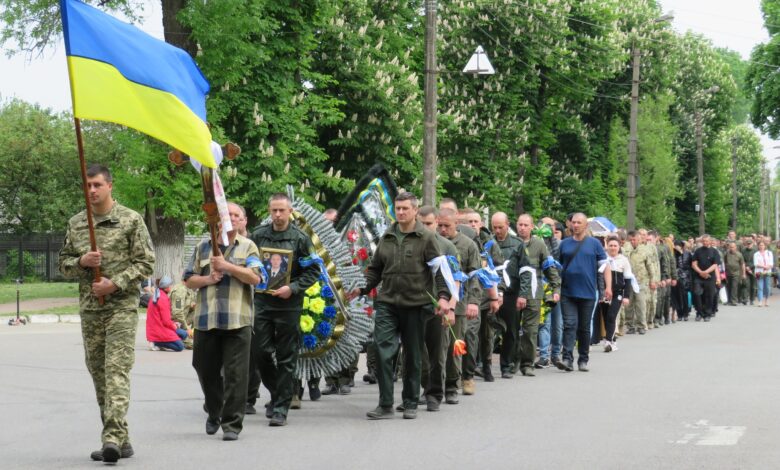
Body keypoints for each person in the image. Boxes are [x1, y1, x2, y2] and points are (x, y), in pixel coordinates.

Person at [58, 164, 155, 463]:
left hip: (121, 308)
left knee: (116, 372)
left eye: (97, 184)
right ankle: (122, 439)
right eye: (87, 185)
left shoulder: (129, 220)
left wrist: (115, 283)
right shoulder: (77, 224)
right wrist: (83, 262)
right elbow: (63, 265)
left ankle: (111, 437)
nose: (92, 190)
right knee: (99, 374)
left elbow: (146, 263)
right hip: (90, 311)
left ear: (110, 186)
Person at [348, 192, 450, 420]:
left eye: (405, 208)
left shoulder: (426, 237)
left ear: (415, 210)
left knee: (412, 355)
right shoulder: (387, 236)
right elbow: (375, 269)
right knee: (384, 350)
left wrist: (443, 296)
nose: (401, 212)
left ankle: (411, 401)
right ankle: (385, 404)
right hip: (388, 303)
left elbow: (439, 270)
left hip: (416, 304)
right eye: (398, 208)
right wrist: (361, 288)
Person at [185, 201, 261, 441]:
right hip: (207, 320)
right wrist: (208, 278)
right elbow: (188, 279)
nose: (230, 218)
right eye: (226, 214)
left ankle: (232, 424)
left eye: (236, 214)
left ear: (242, 221)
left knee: (236, 374)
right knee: (204, 368)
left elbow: (256, 278)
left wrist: (228, 267)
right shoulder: (202, 247)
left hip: (238, 320)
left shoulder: (248, 247)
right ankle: (215, 410)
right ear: (216, 219)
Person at [250, 193, 319, 426]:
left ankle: (280, 408)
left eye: (282, 210)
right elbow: (247, 263)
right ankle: (281, 393)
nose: (278, 215)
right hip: (262, 302)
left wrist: (293, 287)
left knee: (286, 356)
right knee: (259, 353)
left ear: (290, 211)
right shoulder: (258, 236)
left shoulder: (300, 239)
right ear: (269, 211)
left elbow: (313, 271)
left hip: (289, 305)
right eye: (274, 210)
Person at [437, 208, 483, 400]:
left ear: (456, 224)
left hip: (460, 303)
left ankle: (452, 386)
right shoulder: (434, 242)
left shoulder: (468, 245)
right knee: (437, 347)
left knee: (455, 346)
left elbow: (474, 276)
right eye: (439, 225)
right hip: (438, 302)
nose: (442, 229)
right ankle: (434, 386)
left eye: (447, 225)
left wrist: (473, 301)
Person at [416, 206, 458, 411]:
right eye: (421, 223)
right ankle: (422, 389)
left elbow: (455, 280)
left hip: (439, 307)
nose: (425, 227)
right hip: (415, 305)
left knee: (437, 353)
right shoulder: (413, 241)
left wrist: (450, 308)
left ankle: (435, 393)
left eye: (429, 224)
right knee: (415, 353)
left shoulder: (447, 246)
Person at [556, 213, 611, 372]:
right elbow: (557, 267)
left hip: (587, 292)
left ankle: (583, 359)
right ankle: (567, 359)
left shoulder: (594, 244)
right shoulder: (564, 244)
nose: (576, 225)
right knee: (569, 325)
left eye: (579, 222)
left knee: (584, 327)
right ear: (570, 224)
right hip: (568, 292)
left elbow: (605, 266)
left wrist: (608, 287)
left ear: (586, 225)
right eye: (573, 222)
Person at [514, 214, 560, 377]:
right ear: (516, 225)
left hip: (534, 292)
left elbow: (549, 267)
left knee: (530, 330)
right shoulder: (513, 243)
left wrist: (556, 288)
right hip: (514, 291)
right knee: (512, 328)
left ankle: (527, 364)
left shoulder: (539, 245)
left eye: (526, 225)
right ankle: (512, 361)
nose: (522, 228)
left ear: (532, 227)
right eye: (520, 224)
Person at [599, 237, 633, 352]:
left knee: (611, 316)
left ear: (619, 247)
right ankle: (612, 339)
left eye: (615, 246)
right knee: (605, 315)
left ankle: (609, 341)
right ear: (607, 246)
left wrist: (626, 296)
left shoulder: (623, 260)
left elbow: (628, 279)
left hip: (617, 293)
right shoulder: (603, 259)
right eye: (611, 245)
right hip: (604, 292)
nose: (613, 248)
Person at [146, 276, 189, 351]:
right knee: (184, 341)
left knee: (185, 334)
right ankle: (158, 342)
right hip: (170, 321)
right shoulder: (179, 291)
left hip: (168, 321)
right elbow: (177, 312)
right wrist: (185, 327)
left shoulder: (187, 289)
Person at [691, 234, 721, 322]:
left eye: (706, 241)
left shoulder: (714, 251)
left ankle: (707, 314)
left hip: (710, 277)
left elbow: (715, 265)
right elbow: (694, 264)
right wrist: (701, 272)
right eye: (703, 241)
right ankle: (699, 313)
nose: (705, 242)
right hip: (698, 276)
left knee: (709, 295)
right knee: (697, 294)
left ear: (710, 241)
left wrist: (706, 272)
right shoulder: (698, 251)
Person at [169, 280, 196, 349]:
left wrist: (192, 307)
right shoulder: (179, 291)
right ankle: (180, 336)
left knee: (198, 311)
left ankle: (194, 335)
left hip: (181, 322)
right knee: (192, 345)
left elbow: (189, 307)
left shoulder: (189, 290)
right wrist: (187, 329)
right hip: (174, 323)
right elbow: (177, 313)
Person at [671, 240, 693, 321]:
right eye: (675, 245)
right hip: (676, 277)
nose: (677, 246)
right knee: (677, 295)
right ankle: (679, 313)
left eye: (679, 245)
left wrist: (689, 277)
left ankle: (686, 313)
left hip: (685, 277)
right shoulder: (673, 254)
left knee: (684, 295)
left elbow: (691, 266)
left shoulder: (688, 254)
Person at [723, 241, 746, 306]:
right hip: (728, 273)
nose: (731, 248)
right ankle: (728, 300)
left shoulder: (739, 254)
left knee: (734, 286)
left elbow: (742, 264)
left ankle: (734, 301)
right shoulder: (726, 253)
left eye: (733, 247)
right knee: (728, 286)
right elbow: (724, 262)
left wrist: (743, 274)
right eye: (730, 247)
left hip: (736, 273)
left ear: (735, 247)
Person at [754, 240, 774, 307]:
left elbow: (771, 263)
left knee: (767, 287)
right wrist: (764, 267)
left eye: (762, 245)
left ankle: (767, 299)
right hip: (759, 272)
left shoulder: (769, 253)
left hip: (768, 272)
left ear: (765, 246)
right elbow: (756, 264)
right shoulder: (756, 254)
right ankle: (760, 301)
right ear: (758, 246)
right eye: (760, 245)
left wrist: (766, 268)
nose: (761, 246)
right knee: (760, 287)